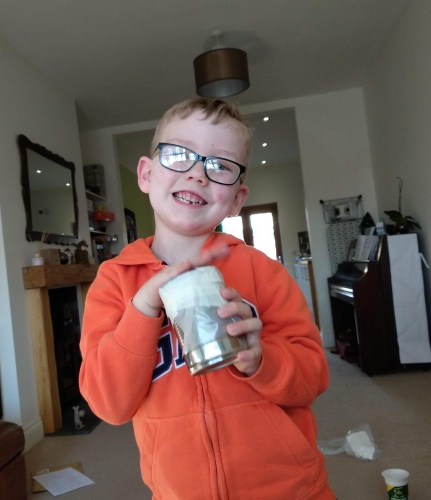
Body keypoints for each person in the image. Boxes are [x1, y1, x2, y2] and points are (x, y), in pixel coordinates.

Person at [79, 98, 335, 499]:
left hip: (290, 489)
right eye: (179, 154)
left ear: (236, 199)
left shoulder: (263, 272)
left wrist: (263, 361)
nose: (197, 173)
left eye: (220, 165)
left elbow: (313, 375)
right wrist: (142, 308)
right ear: (146, 174)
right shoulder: (115, 281)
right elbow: (109, 405)